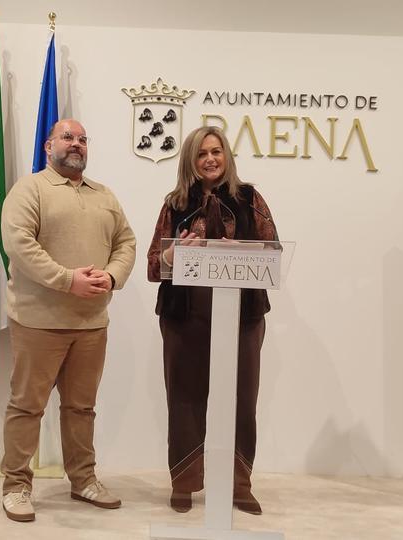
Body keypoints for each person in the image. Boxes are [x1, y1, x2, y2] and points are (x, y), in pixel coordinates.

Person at [0, 119, 137, 523]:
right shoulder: (29, 189)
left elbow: (126, 242)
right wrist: (67, 280)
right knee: (27, 407)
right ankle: (16, 486)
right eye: (67, 137)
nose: (76, 144)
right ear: (48, 146)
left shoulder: (104, 195)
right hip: (38, 322)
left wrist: (112, 276)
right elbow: (19, 244)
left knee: (81, 408)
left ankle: (83, 480)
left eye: (82, 139)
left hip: (91, 324)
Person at [145, 125, 278, 515]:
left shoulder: (250, 199)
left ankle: (239, 485)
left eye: (216, 151)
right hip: (185, 315)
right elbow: (153, 265)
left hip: (243, 316)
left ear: (226, 156)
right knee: (184, 398)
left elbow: (273, 252)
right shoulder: (174, 204)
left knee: (243, 400)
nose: (209, 159)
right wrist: (173, 255)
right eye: (201, 153)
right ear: (191, 159)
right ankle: (184, 482)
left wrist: (242, 251)